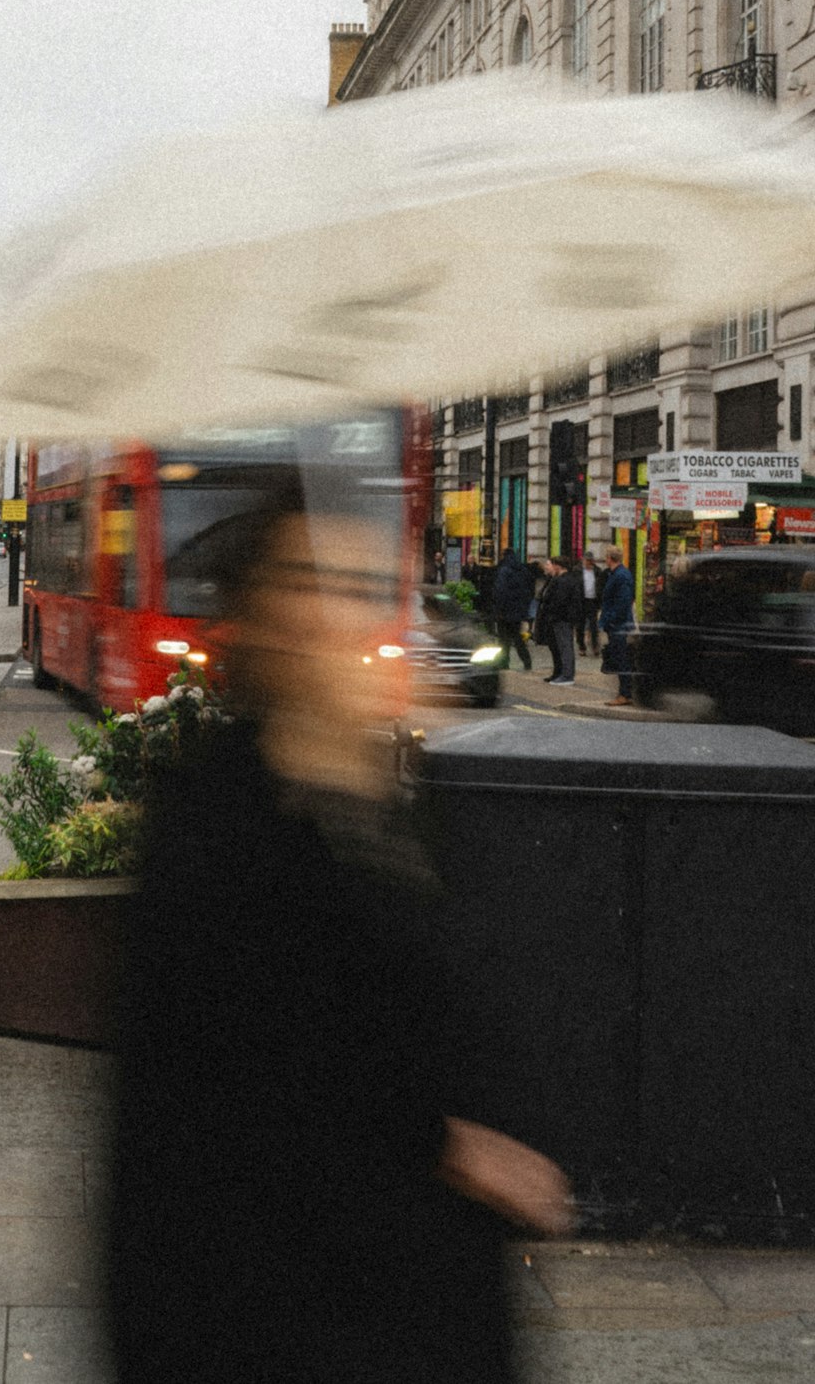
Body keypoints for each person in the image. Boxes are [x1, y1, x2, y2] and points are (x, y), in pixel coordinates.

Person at [110, 479, 572, 1384]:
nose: (361, 617)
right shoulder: (215, 825)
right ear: (264, 615)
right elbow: (224, 1102)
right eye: (323, 584)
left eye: (374, 588)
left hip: (422, 1305)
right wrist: (449, 1147)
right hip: (273, 1318)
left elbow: (456, 1007)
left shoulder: (405, 799)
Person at [599, 544, 636, 707]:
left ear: (609, 558)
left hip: (618, 624)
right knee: (619, 658)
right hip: (615, 623)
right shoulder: (615, 574)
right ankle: (624, 692)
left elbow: (623, 601)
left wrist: (611, 620)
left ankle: (625, 693)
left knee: (621, 659)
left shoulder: (621, 575)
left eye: (606, 557)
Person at [541, 556, 583, 686]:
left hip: (562, 618)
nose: (551, 567)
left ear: (558, 566)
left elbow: (559, 601)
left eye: (553, 564)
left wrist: (552, 613)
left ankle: (567, 675)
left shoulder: (564, 581)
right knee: (562, 646)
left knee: (565, 647)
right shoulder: (565, 579)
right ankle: (562, 673)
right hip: (563, 618)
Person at [492, 547, 534, 671]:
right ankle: (527, 662)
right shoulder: (522, 569)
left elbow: (500, 591)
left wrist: (498, 609)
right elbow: (528, 590)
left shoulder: (504, 570)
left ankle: (504, 663)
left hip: (504, 611)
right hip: (518, 611)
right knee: (517, 638)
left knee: (503, 639)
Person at [576, 551, 604, 657]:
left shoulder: (597, 571)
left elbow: (600, 585)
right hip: (581, 600)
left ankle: (595, 646)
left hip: (592, 601)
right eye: (587, 560)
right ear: (583, 560)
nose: (589, 563)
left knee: (593, 625)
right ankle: (581, 646)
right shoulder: (577, 570)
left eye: (591, 560)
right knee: (580, 625)